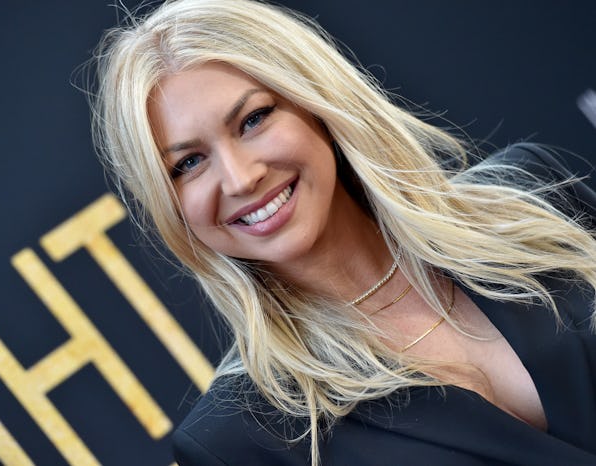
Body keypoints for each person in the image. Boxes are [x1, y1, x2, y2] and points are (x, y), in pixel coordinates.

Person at [89, 0, 596, 464]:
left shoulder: (532, 194)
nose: (242, 177)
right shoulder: (238, 438)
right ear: (168, 200)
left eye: (254, 119)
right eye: (190, 162)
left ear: (317, 103)